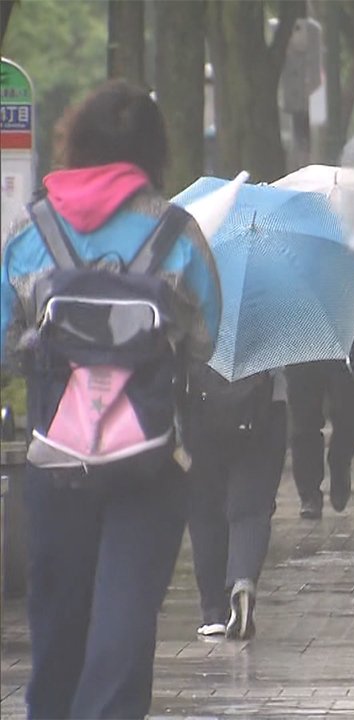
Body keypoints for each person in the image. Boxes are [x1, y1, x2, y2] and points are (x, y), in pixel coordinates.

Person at [0, 81, 220, 719]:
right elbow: (204, 338)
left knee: (58, 631)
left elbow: (5, 342)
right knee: (123, 630)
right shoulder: (178, 234)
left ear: (78, 142)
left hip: (55, 457)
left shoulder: (30, 232)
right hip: (147, 463)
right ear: (154, 150)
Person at [184, 366, 288, 640]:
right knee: (252, 508)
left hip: (200, 405)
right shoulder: (274, 320)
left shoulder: (192, 321)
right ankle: (243, 578)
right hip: (264, 408)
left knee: (204, 510)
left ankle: (213, 613)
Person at [286, 331, 354, 519]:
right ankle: (309, 494)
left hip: (346, 339)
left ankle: (340, 462)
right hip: (301, 341)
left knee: (350, 413)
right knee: (304, 421)